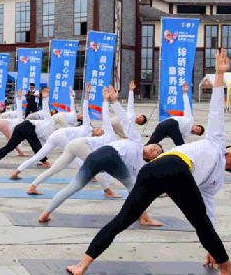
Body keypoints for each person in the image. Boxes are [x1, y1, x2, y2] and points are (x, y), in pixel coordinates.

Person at [66, 48, 231, 275]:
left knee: (201, 221)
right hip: (159, 168)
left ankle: (226, 267)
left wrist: (211, 245)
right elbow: (216, 113)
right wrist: (220, 76)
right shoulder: (216, 140)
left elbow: (208, 213)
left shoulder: (216, 181)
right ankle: (82, 264)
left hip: (177, 176)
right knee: (123, 219)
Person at [38, 86, 163, 223]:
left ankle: (143, 216)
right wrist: (113, 102)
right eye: (155, 146)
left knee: (132, 186)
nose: (155, 149)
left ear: (152, 159)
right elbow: (125, 121)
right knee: (73, 187)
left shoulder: (138, 166)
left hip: (108, 161)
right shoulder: (137, 141)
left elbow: (140, 184)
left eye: (157, 152)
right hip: (100, 156)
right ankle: (45, 213)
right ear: (148, 144)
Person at [9, 84, 110, 185]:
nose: (97, 129)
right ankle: (90, 175)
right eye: (99, 128)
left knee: (39, 156)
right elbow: (85, 110)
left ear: (98, 136)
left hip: (57, 136)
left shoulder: (89, 140)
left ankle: (16, 172)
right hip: (60, 135)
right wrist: (87, 94)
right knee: (74, 155)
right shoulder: (87, 126)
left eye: (100, 131)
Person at [0, 87, 53, 167]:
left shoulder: (48, 125)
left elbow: (46, 111)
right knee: (34, 143)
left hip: (20, 127)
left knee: (11, 145)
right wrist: (45, 99)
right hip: (28, 126)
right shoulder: (49, 123)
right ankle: (44, 162)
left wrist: (45, 98)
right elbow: (46, 110)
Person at [145, 82, 203, 146]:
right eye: (197, 128)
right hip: (169, 123)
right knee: (152, 141)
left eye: (196, 132)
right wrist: (185, 93)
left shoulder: (186, 135)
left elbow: (176, 136)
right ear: (195, 125)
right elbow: (187, 106)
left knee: (153, 143)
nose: (195, 130)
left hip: (169, 131)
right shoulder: (190, 120)